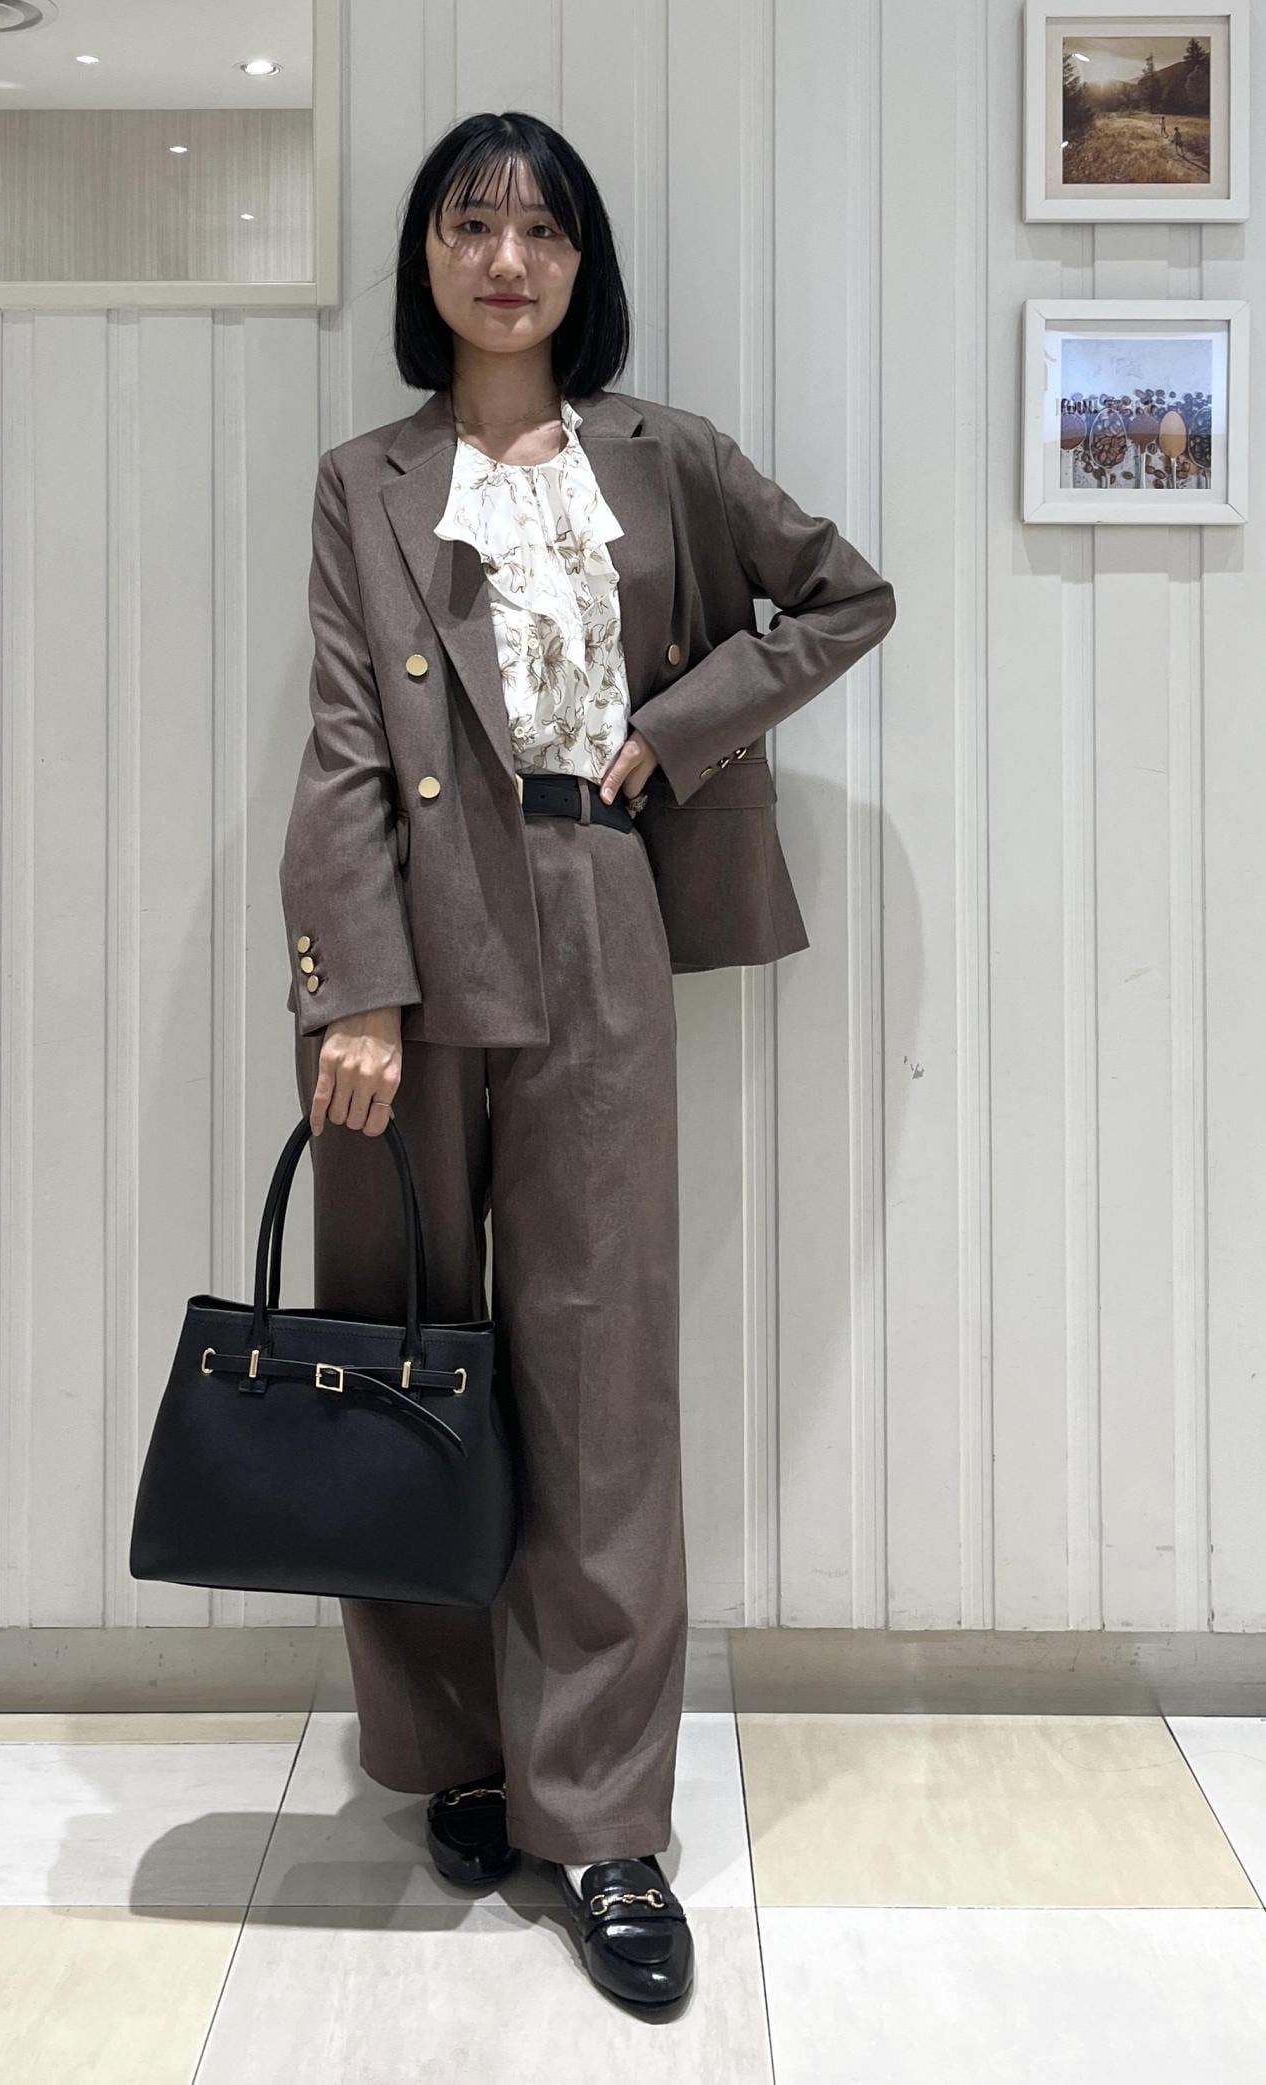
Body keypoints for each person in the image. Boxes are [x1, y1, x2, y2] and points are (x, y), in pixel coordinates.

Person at [279, 110, 896, 2012]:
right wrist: (353, 991)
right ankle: (461, 1752)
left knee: (600, 1374)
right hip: (411, 944)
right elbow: (344, 745)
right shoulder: (368, 480)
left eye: (540, 230)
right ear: (427, 257)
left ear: (581, 264)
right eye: (471, 224)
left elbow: (844, 596)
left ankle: (605, 1815)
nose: (506, 260)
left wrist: (685, 723)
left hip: (599, 912)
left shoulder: (664, 455)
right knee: (405, 1352)